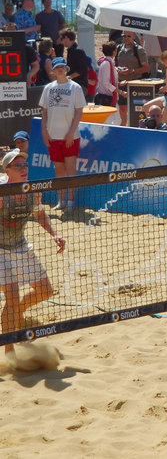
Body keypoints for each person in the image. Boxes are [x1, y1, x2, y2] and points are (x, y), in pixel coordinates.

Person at [0, 149, 65, 359]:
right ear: (6, 169)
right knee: (11, 294)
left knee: (45, 291)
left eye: (25, 165)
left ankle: (16, 313)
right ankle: (9, 351)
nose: (23, 169)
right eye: (17, 166)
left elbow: (39, 214)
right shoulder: (1, 192)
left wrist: (55, 234)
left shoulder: (33, 191)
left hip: (20, 246)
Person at [39, 57, 85, 212]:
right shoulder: (48, 88)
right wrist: (44, 131)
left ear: (67, 69)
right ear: (53, 70)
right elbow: (44, 112)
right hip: (53, 136)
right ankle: (61, 200)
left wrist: (71, 132)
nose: (60, 70)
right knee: (59, 168)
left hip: (70, 136)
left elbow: (79, 112)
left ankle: (71, 202)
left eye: (62, 67)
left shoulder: (75, 87)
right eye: (57, 68)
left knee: (71, 168)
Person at [95, 41, 129, 125]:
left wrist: (119, 84)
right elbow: (106, 83)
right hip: (106, 99)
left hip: (110, 98)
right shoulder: (107, 63)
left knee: (116, 121)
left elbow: (109, 81)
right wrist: (120, 92)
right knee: (111, 122)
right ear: (114, 51)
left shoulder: (109, 63)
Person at [58, 28, 89, 94]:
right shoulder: (70, 51)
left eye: (61, 39)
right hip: (72, 85)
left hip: (79, 86)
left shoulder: (78, 51)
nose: (61, 42)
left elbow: (81, 70)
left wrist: (69, 77)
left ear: (66, 38)